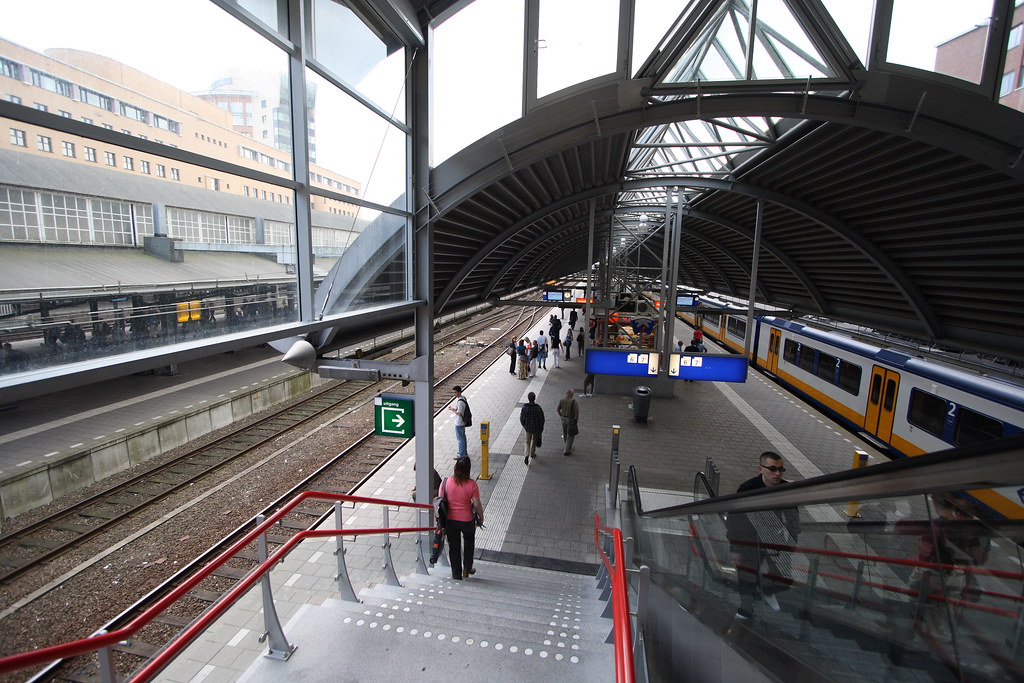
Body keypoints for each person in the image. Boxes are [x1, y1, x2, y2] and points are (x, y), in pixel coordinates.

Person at [726, 452, 800, 620]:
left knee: (784, 577)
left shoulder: (786, 489)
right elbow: (734, 519)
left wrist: (792, 540)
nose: (777, 473)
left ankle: (766, 589)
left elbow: (793, 518)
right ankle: (746, 609)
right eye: (772, 469)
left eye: (781, 469)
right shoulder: (748, 488)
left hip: (773, 538)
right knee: (747, 575)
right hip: (749, 540)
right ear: (760, 469)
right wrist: (735, 548)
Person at [441, 457, 484, 580]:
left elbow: (440, 501)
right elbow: (477, 504)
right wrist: (481, 517)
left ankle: (456, 574)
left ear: (455, 468)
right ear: (468, 469)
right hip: (467, 520)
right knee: (469, 542)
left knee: (454, 547)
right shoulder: (472, 485)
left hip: (450, 520)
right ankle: (467, 569)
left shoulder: (445, 482)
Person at [519, 391, 545, 465]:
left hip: (528, 428)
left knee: (527, 441)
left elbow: (522, 418)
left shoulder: (525, 407)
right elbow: (542, 419)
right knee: (534, 440)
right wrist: (541, 428)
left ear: (528, 398)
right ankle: (532, 453)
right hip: (536, 428)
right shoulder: (538, 408)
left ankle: (526, 454)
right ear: (534, 398)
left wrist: (524, 426)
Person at [557, 388, 580, 456]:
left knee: (565, 432)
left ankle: (566, 444)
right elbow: (577, 413)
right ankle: (567, 450)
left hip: (563, 418)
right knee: (571, 435)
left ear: (566, 393)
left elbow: (558, 409)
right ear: (572, 394)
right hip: (570, 419)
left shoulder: (562, 400)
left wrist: (561, 415)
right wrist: (576, 420)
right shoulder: (574, 402)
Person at [448, 386, 470, 459]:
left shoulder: (460, 402)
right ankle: (464, 452)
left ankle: (461, 455)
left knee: (460, 439)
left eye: (455, 392)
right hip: (462, 422)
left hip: (459, 422)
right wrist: (453, 408)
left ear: (459, 392)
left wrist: (452, 410)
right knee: (463, 438)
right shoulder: (463, 398)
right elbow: (458, 409)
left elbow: (459, 413)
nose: (454, 394)